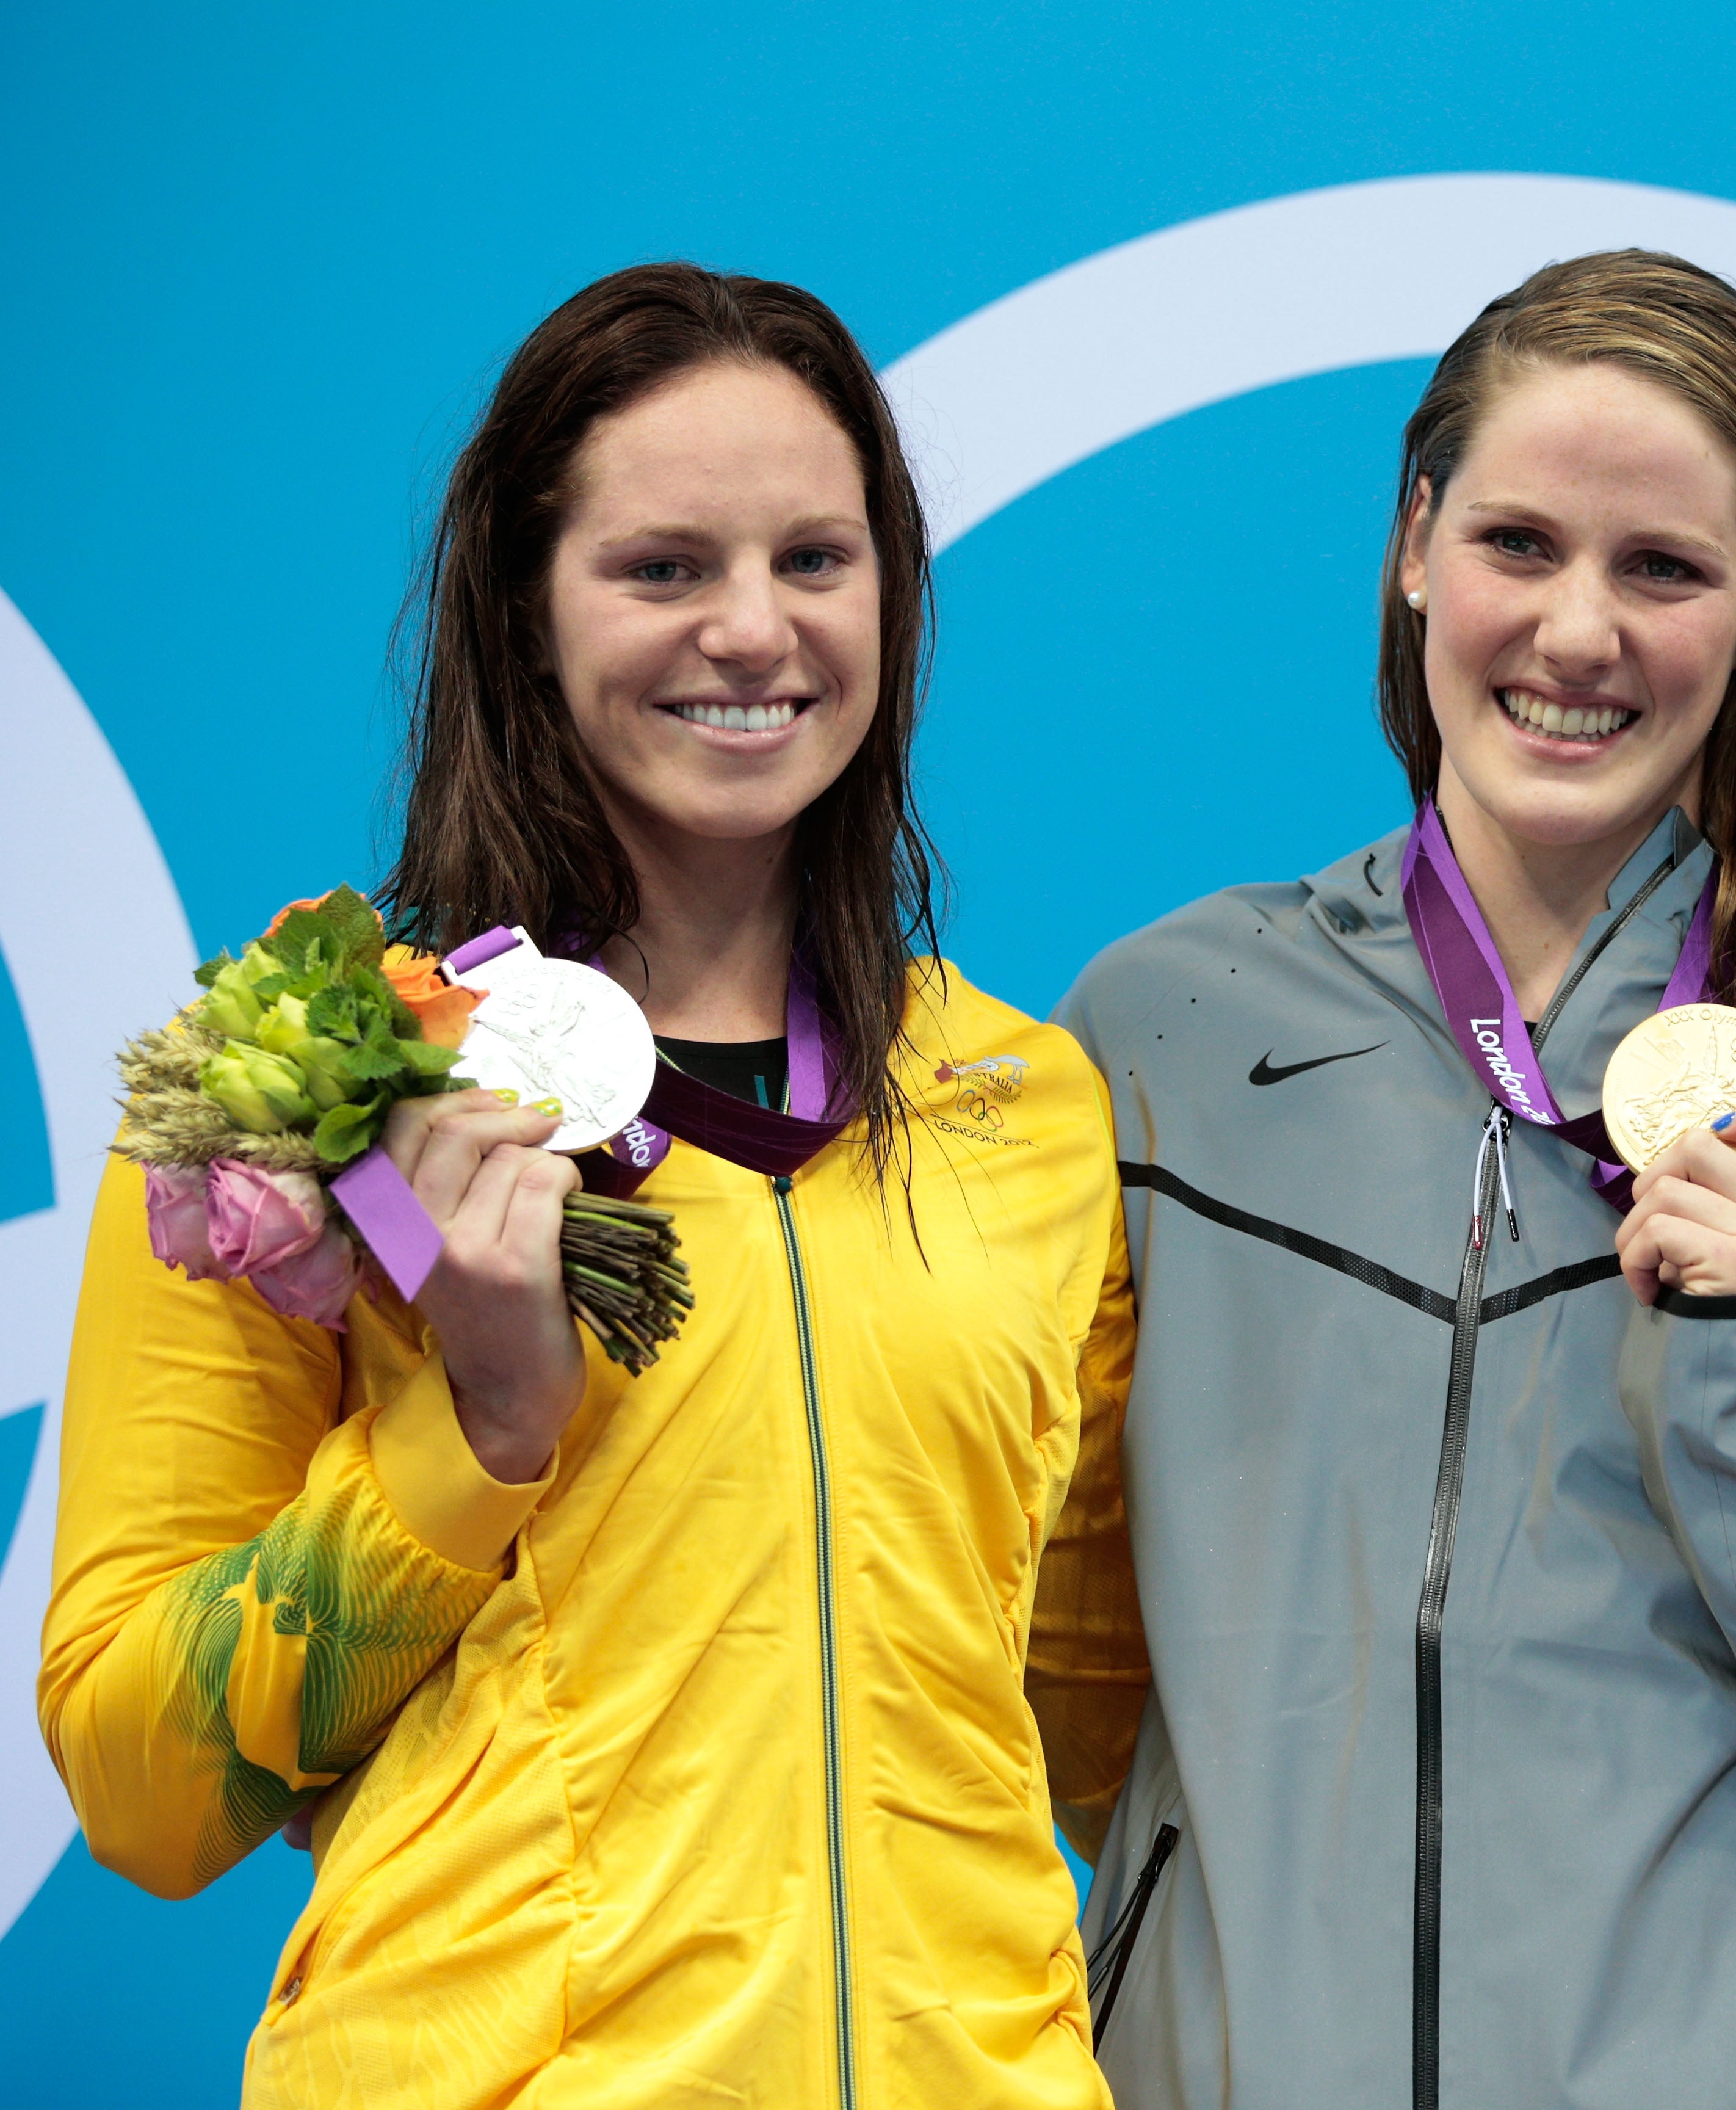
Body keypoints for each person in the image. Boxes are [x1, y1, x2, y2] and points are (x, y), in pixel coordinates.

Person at [1056, 249, 1736, 2109]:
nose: (1579, 633)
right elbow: (1041, 1657)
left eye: (1662, 568)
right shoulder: (1159, 1034)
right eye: (1517, 543)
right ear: (1413, 544)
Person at [42, 264, 1145, 2108]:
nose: (752, 631)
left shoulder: (1022, 1105)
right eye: (661, 569)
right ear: (523, 609)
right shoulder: (311, 1080)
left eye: (818, 559)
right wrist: (471, 1436)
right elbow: (141, 1786)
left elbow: (1103, 1727)